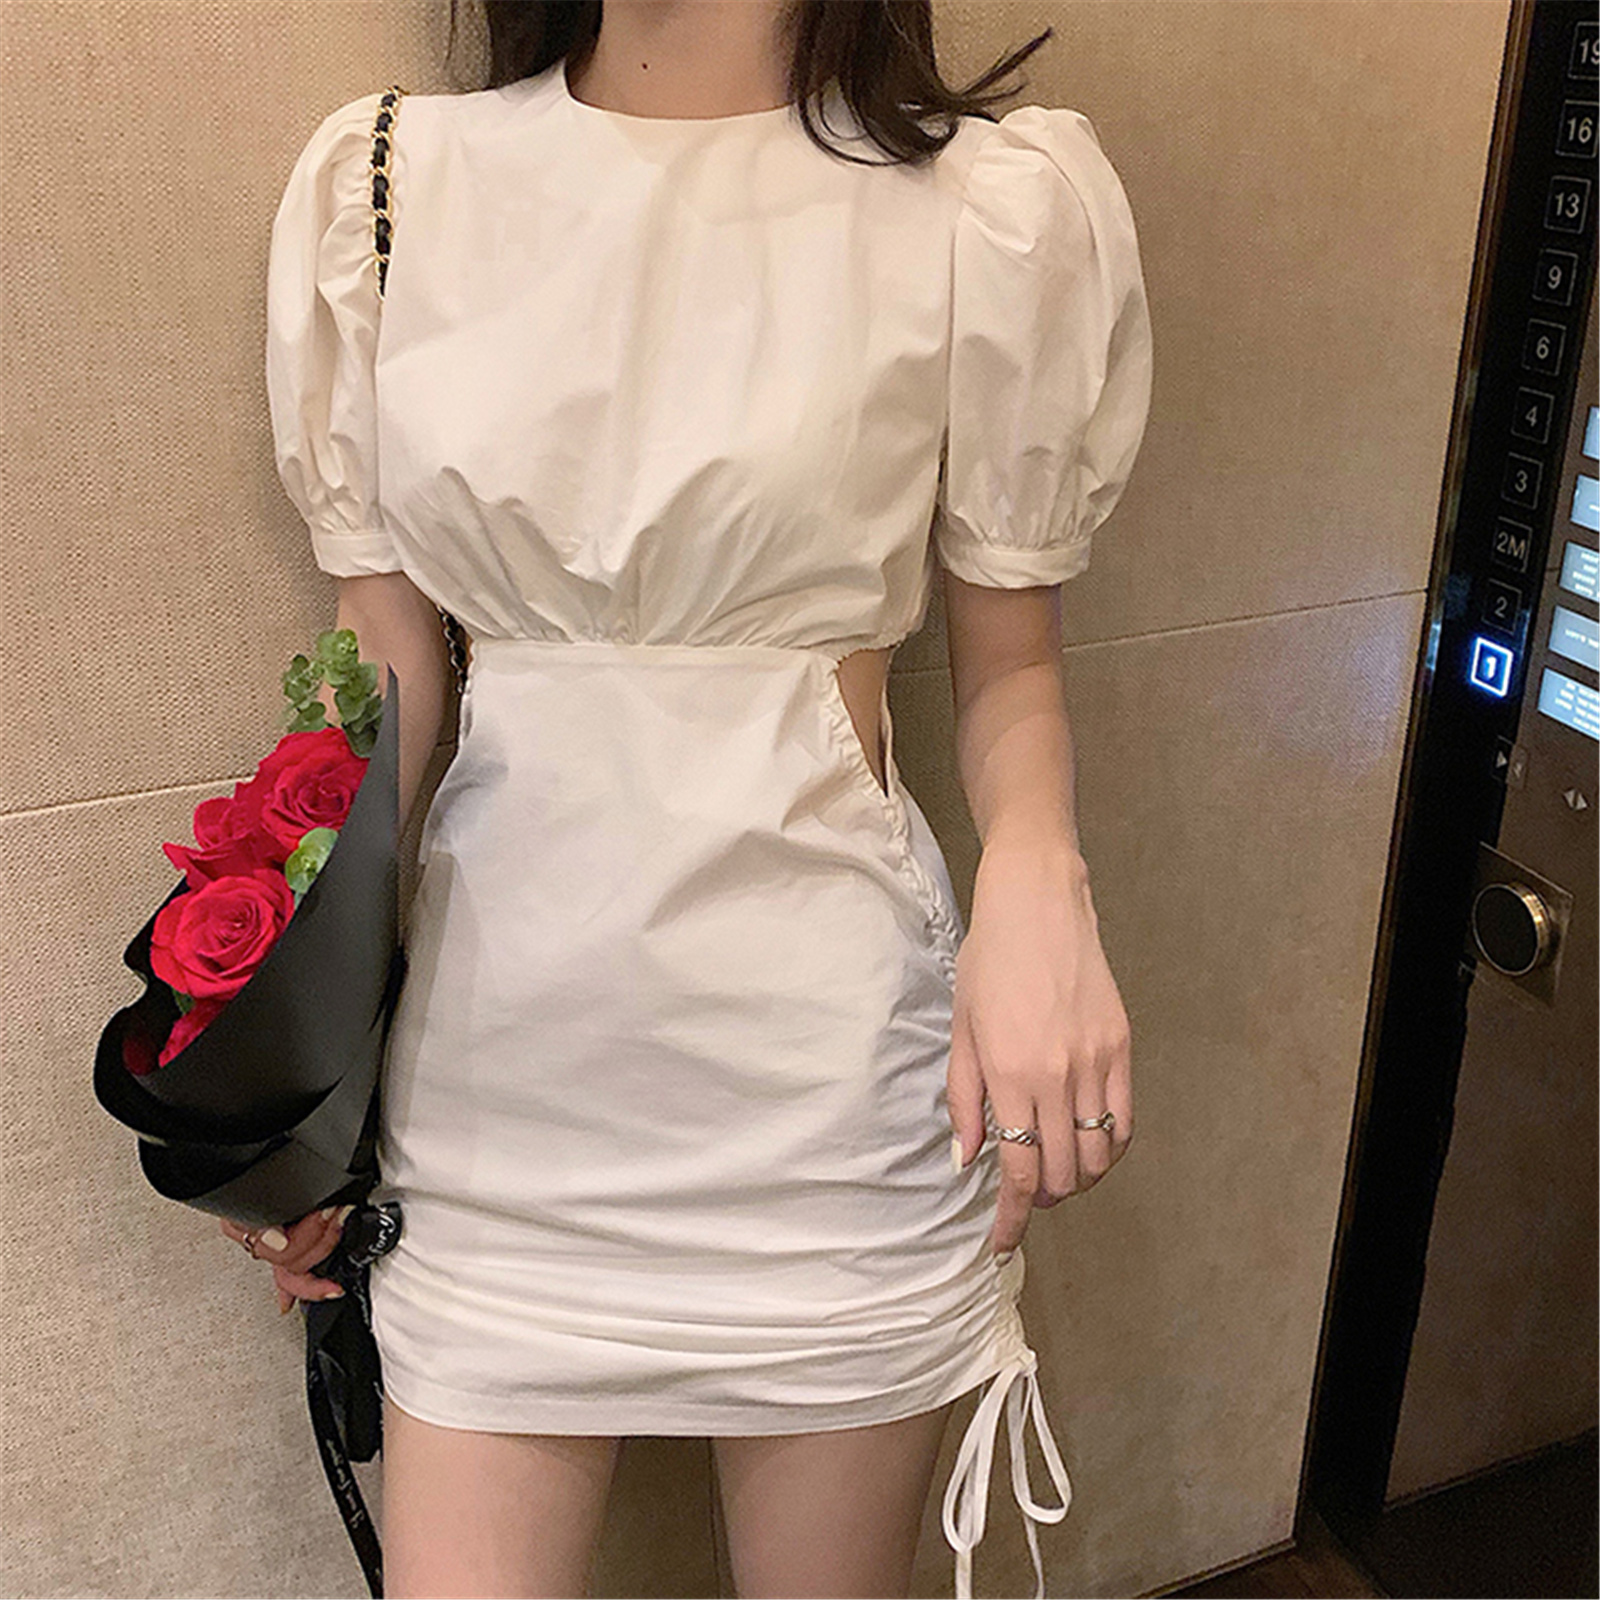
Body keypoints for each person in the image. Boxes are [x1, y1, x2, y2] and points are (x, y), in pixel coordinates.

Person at [220, 0, 1150, 1594]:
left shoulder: (982, 209)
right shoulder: (385, 185)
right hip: (497, 1101)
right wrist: (281, 1053)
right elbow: (386, 673)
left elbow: (1010, 670)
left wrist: (1041, 884)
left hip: (832, 1093)